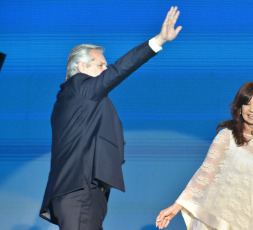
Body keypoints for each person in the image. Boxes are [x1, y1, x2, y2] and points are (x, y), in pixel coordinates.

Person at [39, 6, 182, 230]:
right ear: (82, 67)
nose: (106, 69)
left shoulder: (72, 99)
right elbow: (119, 70)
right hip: (80, 193)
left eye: (106, 65)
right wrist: (158, 40)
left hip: (80, 195)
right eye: (100, 65)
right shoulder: (80, 88)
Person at [156, 82, 253, 230]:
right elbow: (205, 175)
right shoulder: (227, 137)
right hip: (226, 220)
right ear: (239, 109)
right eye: (246, 103)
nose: (252, 109)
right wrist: (176, 207)